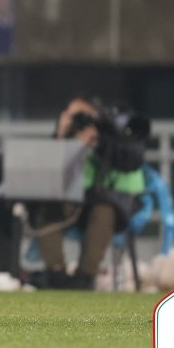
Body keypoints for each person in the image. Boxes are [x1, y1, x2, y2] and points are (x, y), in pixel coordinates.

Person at [27, 97, 146, 290]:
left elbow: (131, 159)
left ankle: (84, 277)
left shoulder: (113, 131)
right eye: (72, 115)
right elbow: (46, 174)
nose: (79, 120)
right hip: (74, 201)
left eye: (82, 115)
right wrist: (61, 136)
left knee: (104, 211)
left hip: (108, 203)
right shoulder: (67, 136)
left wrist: (99, 143)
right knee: (49, 205)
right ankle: (56, 274)